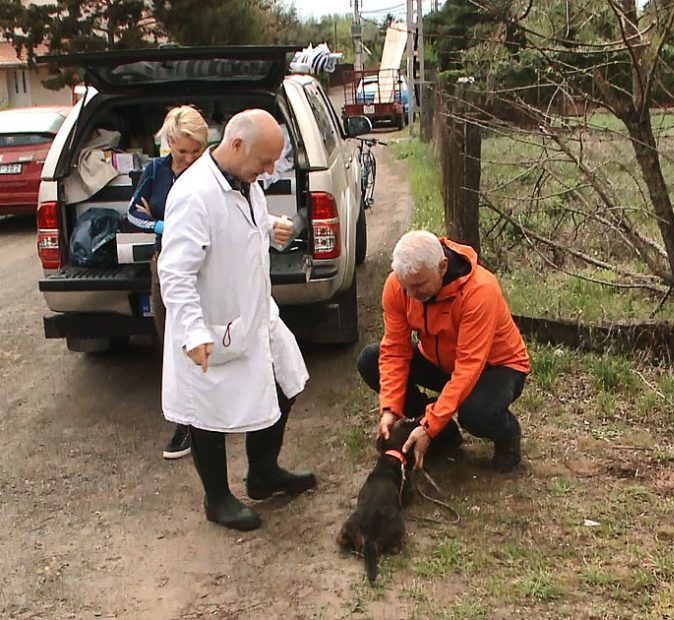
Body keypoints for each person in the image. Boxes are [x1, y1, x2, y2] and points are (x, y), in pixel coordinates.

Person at [157, 109, 315, 531]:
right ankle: (217, 499)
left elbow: (236, 225)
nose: (270, 171)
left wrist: (269, 226)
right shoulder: (193, 194)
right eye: (265, 161)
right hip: (212, 324)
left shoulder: (245, 181)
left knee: (284, 381)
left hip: (256, 313)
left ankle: (263, 472)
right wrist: (193, 332)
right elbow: (175, 273)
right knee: (207, 413)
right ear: (238, 144)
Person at [357, 230, 531, 473]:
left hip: (496, 367)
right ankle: (442, 432)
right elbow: (395, 351)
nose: (411, 295)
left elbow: (469, 366)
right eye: (406, 287)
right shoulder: (398, 285)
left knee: (475, 414)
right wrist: (390, 409)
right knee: (370, 360)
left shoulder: (480, 290)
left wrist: (430, 426)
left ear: (442, 266)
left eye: (419, 286)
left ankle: (507, 433)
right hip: (442, 361)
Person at [126, 105, 208, 460]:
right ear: (170, 144)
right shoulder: (156, 171)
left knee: (211, 336)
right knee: (174, 342)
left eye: (196, 150)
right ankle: (185, 422)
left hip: (207, 262)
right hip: (167, 263)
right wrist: (162, 225)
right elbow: (133, 213)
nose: (189, 159)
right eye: (182, 151)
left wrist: (161, 216)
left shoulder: (210, 171)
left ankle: (214, 415)